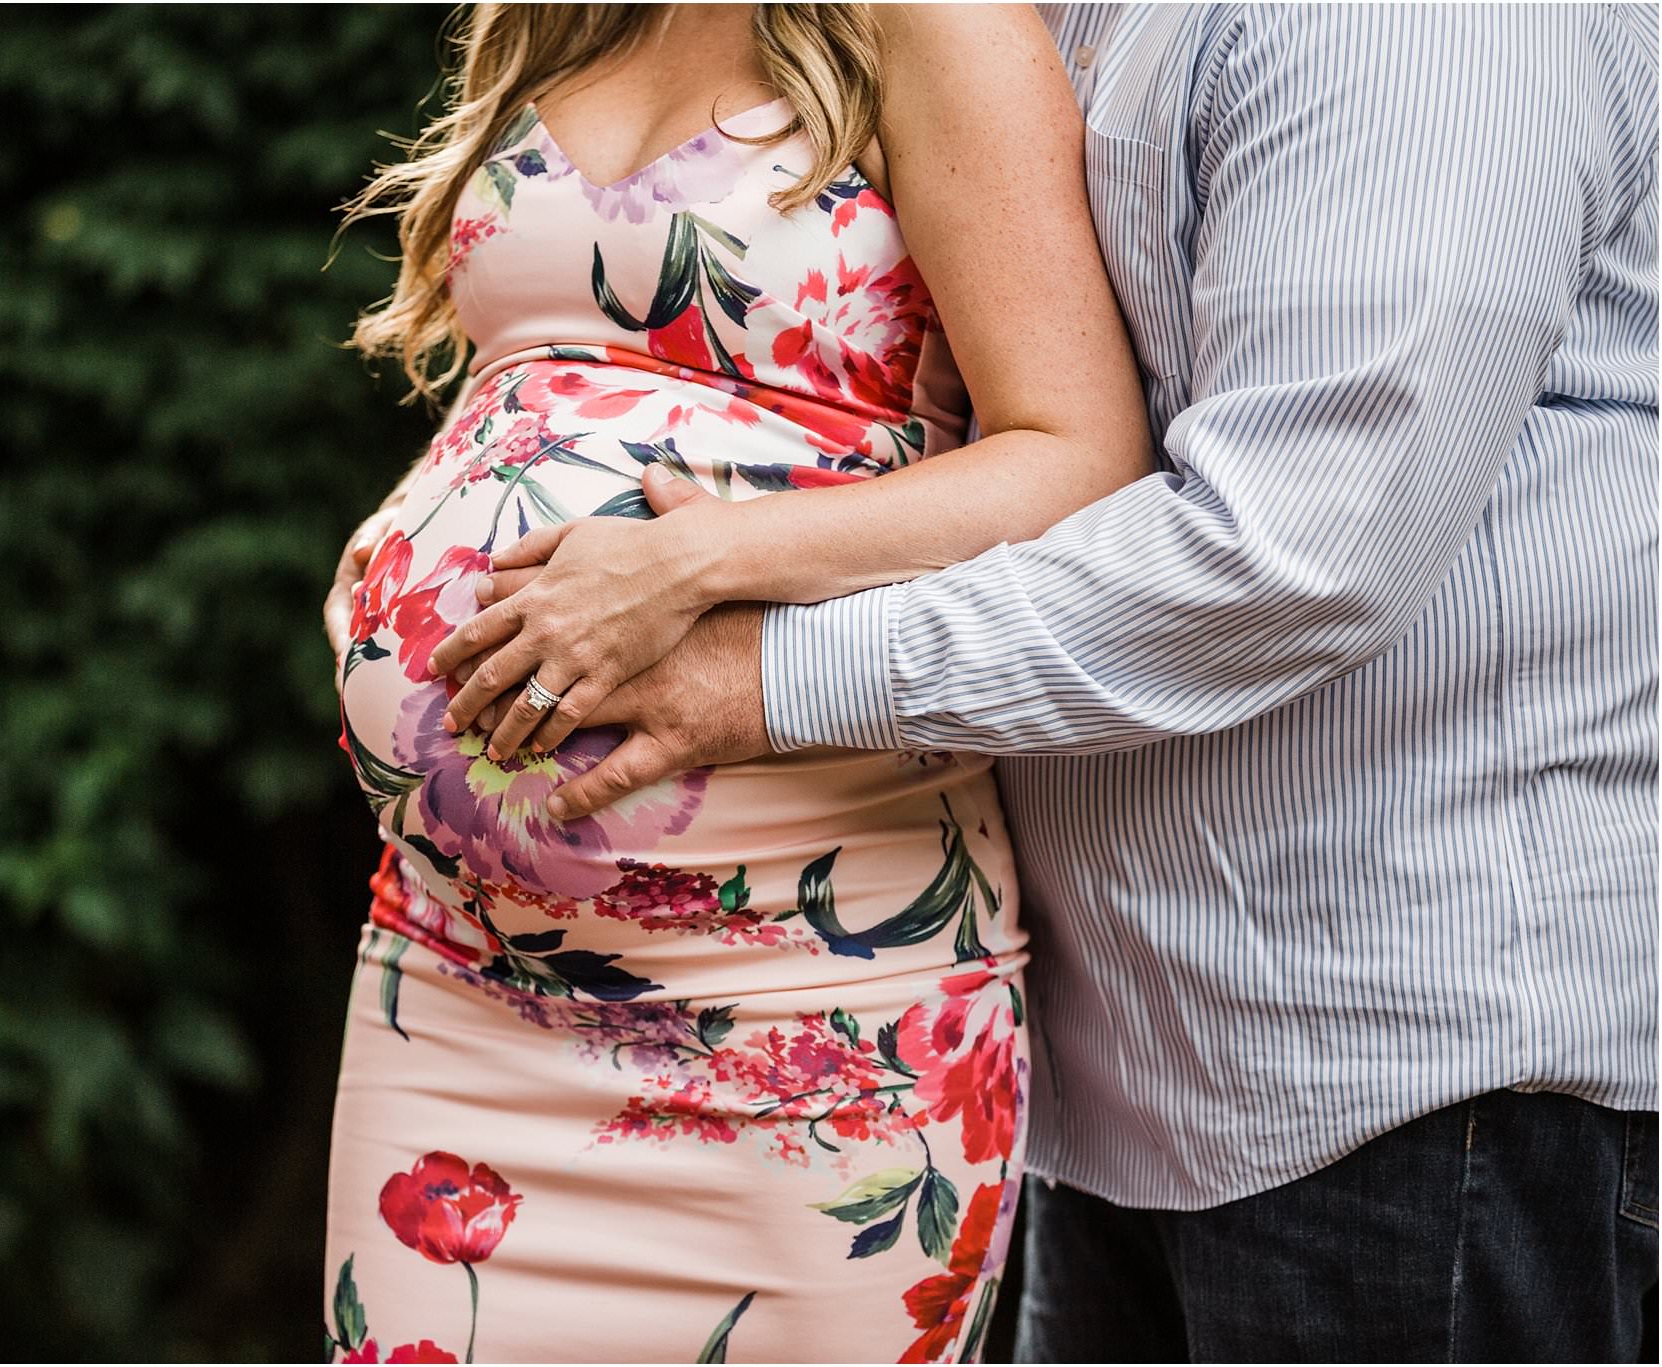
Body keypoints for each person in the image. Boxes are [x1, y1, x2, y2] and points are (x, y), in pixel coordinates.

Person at [398, 4, 1662, 1362]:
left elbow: (1296, 551)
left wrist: (759, 678)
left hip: (1408, 1048)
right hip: (1140, 1048)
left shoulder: (1412, 30)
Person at [319, 2, 1154, 1360]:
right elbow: (538, 385)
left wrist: (692, 563)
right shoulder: (562, 17)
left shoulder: (930, 23)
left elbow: (1077, 455)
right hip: (459, 986)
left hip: (808, 1014)